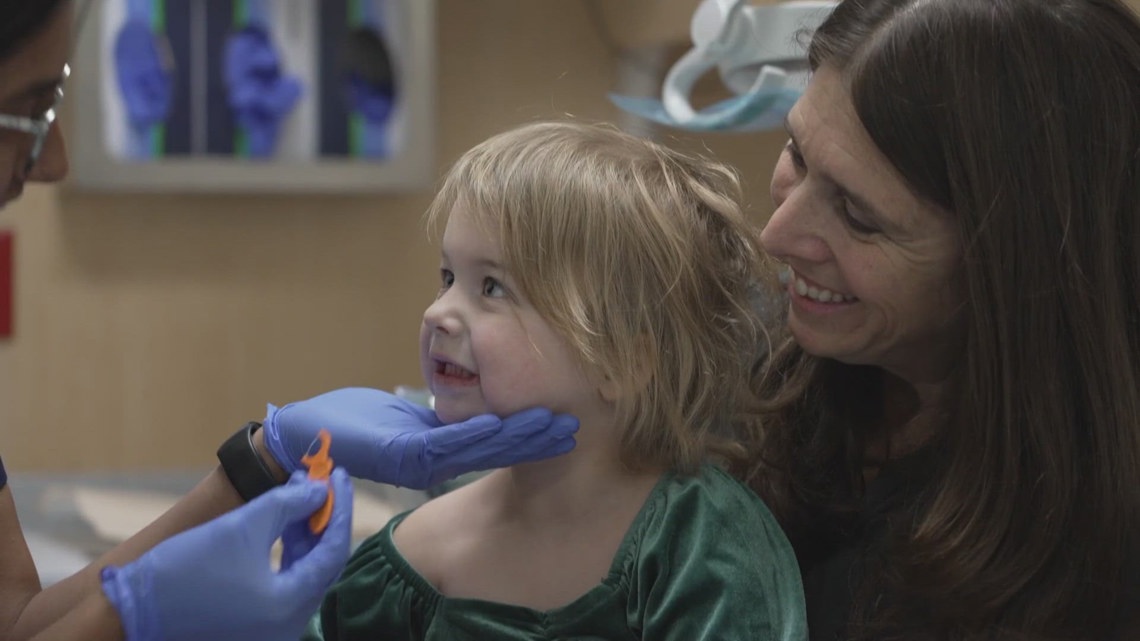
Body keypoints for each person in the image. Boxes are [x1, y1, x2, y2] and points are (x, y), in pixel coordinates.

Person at [0, 3, 579, 640]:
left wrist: (262, 458)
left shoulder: (685, 544)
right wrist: (134, 610)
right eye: (30, 108)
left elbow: (18, 624)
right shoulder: (411, 561)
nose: (52, 160)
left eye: (491, 286)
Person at [726, 0, 1140, 639]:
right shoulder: (737, 364)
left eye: (860, 215)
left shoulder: (1105, 564)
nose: (776, 236)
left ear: (1014, 269)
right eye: (798, 155)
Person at [302, 121, 808, 640]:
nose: (439, 314)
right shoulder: (409, 561)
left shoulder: (702, 545)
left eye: (493, 287)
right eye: (448, 278)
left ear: (621, 362)